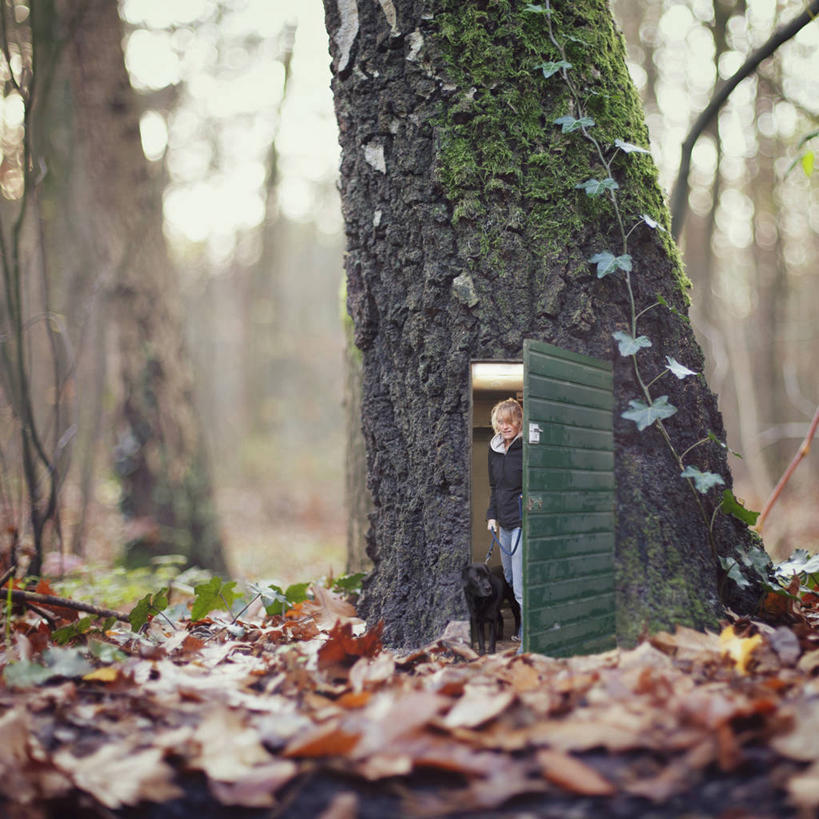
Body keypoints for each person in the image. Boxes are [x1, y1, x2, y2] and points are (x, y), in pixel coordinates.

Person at [486, 397, 523, 642]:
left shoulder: (527, 447)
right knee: (508, 576)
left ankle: (527, 632)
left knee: (519, 583)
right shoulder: (495, 449)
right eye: (500, 422)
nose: (504, 426)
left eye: (509, 422)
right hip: (503, 523)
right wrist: (492, 516)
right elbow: (494, 487)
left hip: (522, 521)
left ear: (519, 422)